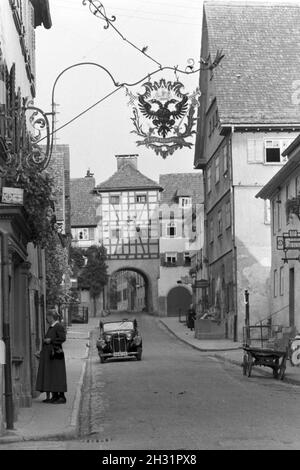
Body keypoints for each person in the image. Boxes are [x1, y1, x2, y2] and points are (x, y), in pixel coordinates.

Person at [36, 309, 67, 404]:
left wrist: (51, 341)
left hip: (56, 355)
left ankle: (61, 397)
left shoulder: (58, 326)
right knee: (52, 375)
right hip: (50, 355)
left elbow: (62, 338)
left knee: (58, 375)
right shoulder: (52, 327)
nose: (46, 318)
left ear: (51, 317)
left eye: (47, 316)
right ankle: (55, 396)